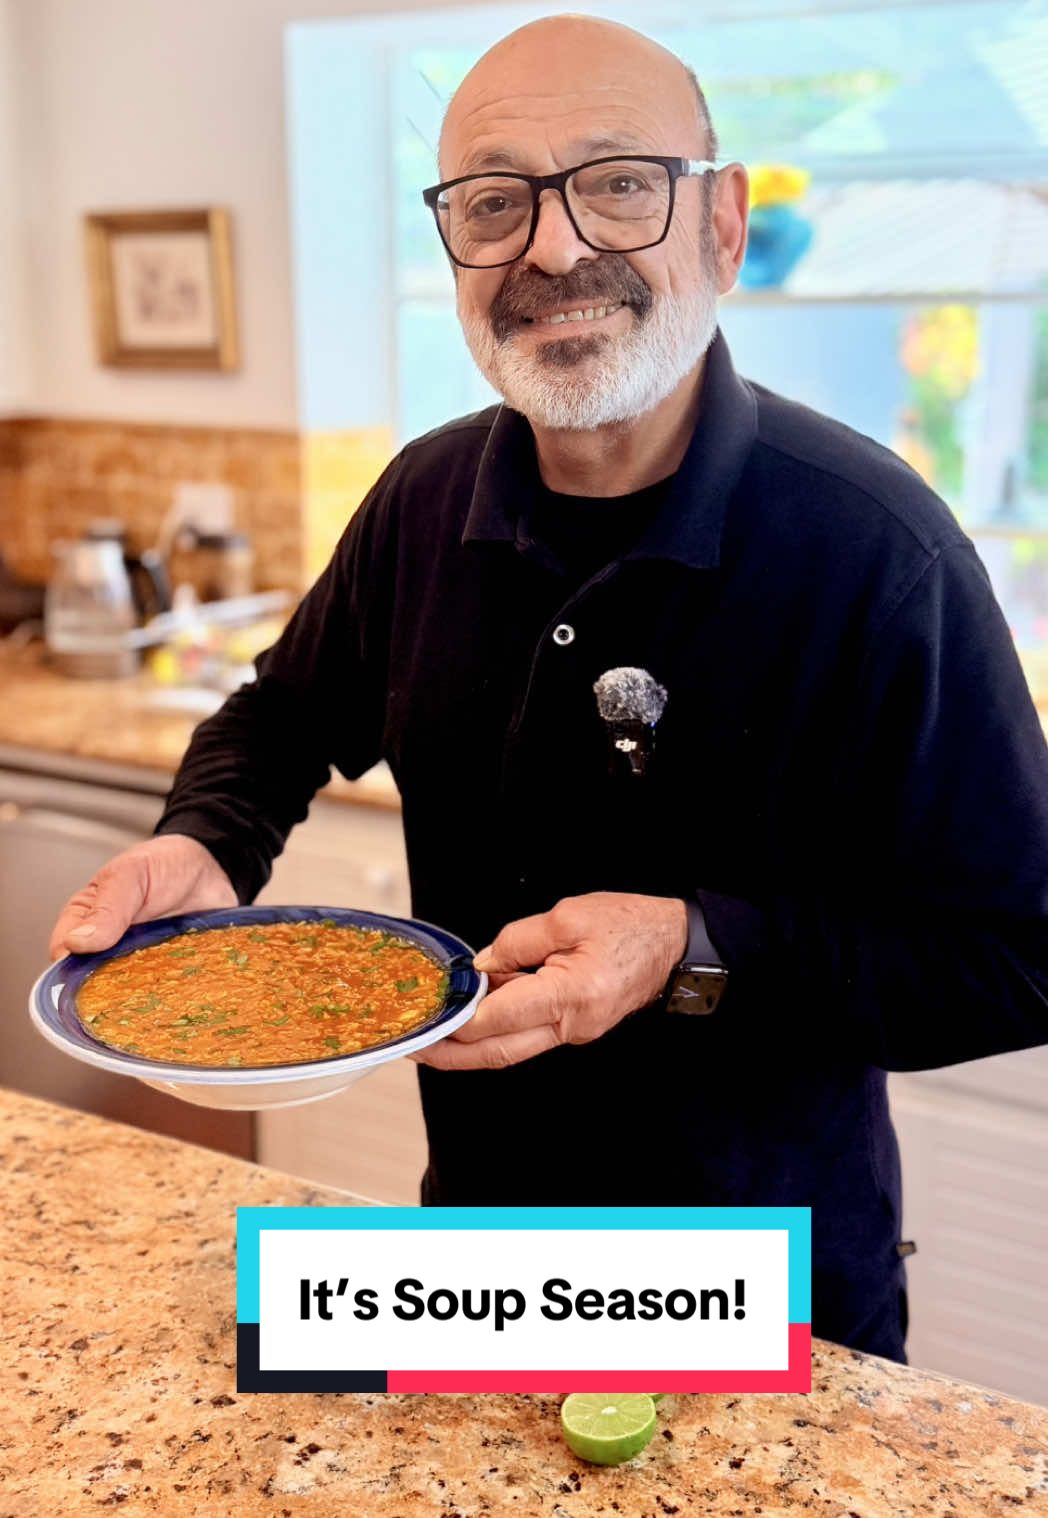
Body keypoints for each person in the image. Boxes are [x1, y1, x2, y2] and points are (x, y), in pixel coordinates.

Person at [50, 16, 1048, 1364]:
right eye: (495, 198)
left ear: (726, 225)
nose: (555, 246)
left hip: (756, 1287)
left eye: (621, 181)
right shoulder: (422, 500)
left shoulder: (880, 553)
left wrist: (691, 949)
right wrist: (203, 838)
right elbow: (282, 716)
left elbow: (1016, 958)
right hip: (466, 1259)